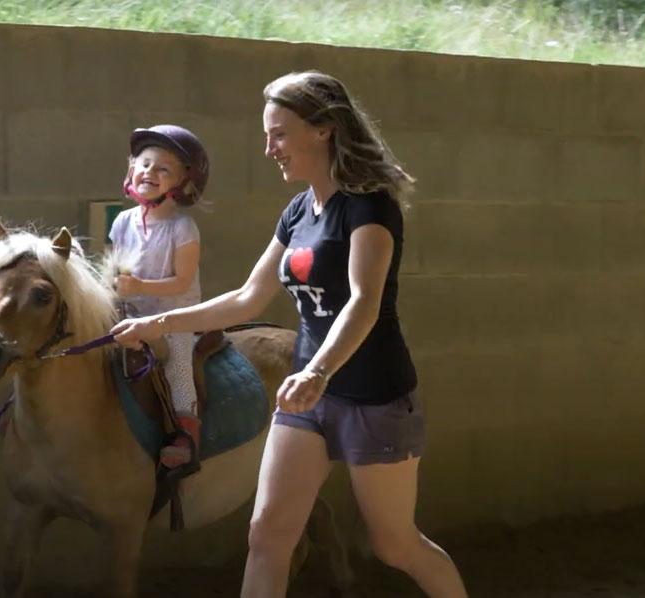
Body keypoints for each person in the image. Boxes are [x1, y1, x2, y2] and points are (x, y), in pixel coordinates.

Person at [111, 72, 467, 597]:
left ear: (322, 130)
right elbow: (247, 298)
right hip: (307, 398)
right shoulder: (298, 212)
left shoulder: (368, 206)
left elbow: (363, 302)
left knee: (394, 545)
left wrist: (320, 370)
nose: (269, 148)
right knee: (268, 536)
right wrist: (158, 322)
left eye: (278, 134)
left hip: (373, 396)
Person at [109, 124, 210, 476]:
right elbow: (115, 265)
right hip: (132, 312)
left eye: (163, 168)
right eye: (145, 163)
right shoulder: (122, 222)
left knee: (177, 362)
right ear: (132, 168)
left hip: (175, 316)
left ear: (183, 182)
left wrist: (138, 286)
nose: (150, 172)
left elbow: (180, 281)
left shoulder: (183, 228)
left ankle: (185, 433)